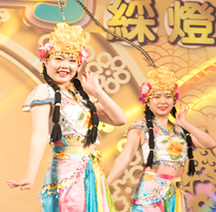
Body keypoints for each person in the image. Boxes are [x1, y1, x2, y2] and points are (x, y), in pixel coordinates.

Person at [6, 23, 128, 212]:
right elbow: (39, 134)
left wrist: (97, 90)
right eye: (59, 58)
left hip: (92, 170)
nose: (65, 65)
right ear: (46, 62)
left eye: (72, 60)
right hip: (67, 169)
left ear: (78, 65)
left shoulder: (81, 97)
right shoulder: (44, 91)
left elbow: (120, 119)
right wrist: (30, 175)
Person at [106, 66, 216, 212]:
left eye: (168, 96)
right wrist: (105, 184)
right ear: (147, 100)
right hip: (150, 194)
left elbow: (210, 143)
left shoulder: (180, 130)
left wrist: (185, 124)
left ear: (173, 100)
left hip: (175, 194)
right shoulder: (141, 128)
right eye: (157, 96)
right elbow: (125, 157)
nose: (163, 101)